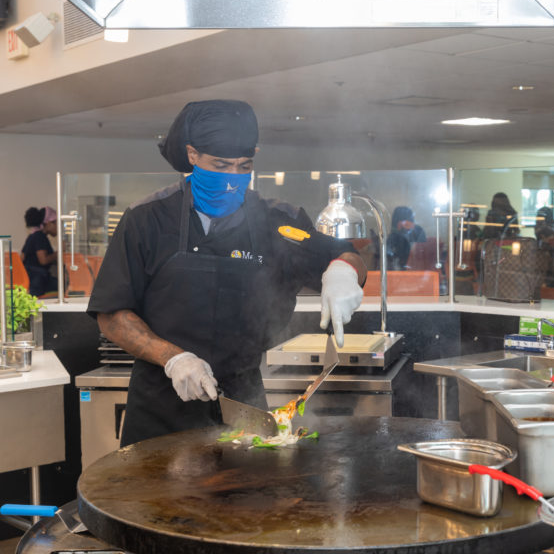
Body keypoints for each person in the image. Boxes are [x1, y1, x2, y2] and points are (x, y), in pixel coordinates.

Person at [87, 100, 367, 447]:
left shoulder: (279, 221)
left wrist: (342, 271)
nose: (233, 178)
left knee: (245, 497)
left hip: (243, 404)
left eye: (243, 166)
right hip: (161, 406)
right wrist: (174, 359)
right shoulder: (147, 220)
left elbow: (346, 254)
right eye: (220, 165)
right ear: (192, 155)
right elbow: (111, 314)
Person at [21, 206, 58, 297]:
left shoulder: (33, 235)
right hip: (37, 281)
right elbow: (43, 260)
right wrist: (60, 252)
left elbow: (22, 258)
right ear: (48, 223)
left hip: (31, 279)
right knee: (65, 285)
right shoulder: (39, 237)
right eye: (56, 223)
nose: (58, 227)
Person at [387, 206, 426, 270]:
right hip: (398, 269)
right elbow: (389, 253)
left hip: (415, 268)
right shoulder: (393, 235)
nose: (405, 223)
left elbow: (421, 251)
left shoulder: (418, 230)